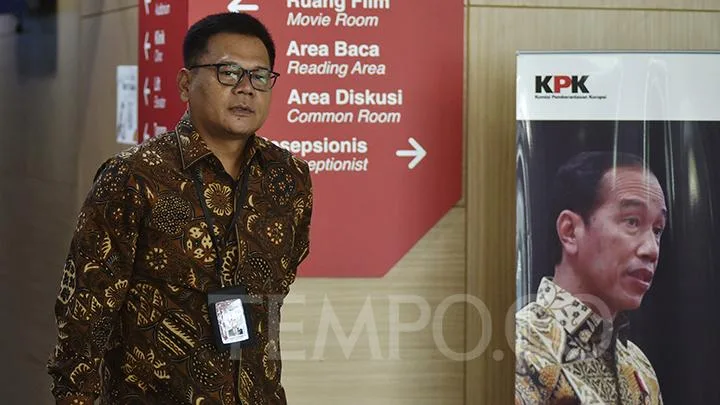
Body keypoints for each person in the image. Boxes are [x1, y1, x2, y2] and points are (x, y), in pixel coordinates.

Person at [47, 12, 313, 405]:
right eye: (228, 72)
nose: (246, 89)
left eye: (259, 76)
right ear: (186, 84)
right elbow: (84, 318)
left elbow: (279, 285)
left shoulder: (289, 177)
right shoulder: (135, 176)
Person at [515, 151, 665, 405]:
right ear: (570, 231)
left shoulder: (639, 367)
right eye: (632, 221)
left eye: (657, 229)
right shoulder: (520, 349)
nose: (651, 249)